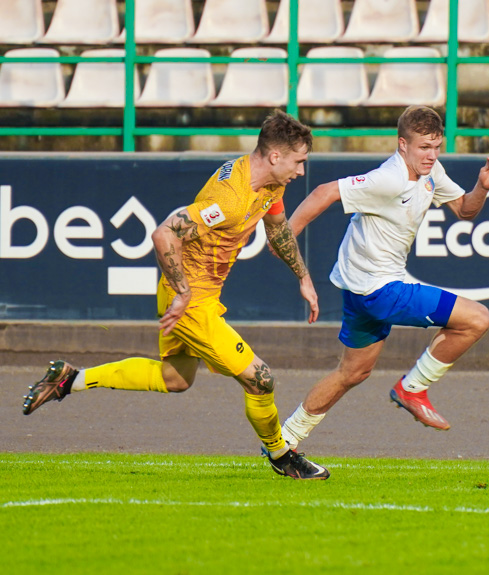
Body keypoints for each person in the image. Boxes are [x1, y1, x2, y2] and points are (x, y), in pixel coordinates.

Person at [21, 110, 330, 481]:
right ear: (276, 156)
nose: (301, 171)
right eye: (299, 162)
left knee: (175, 378)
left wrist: (304, 277)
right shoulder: (229, 199)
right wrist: (183, 293)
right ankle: (282, 455)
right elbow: (164, 234)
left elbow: (277, 227)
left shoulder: (270, 183)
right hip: (188, 299)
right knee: (260, 379)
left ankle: (69, 379)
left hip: (198, 295)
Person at [277, 105, 489, 460]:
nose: (431, 155)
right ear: (403, 145)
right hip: (378, 290)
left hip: (359, 289)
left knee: (352, 373)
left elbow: (464, 210)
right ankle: (412, 388)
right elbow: (324, 191)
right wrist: (286, 235)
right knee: (477, 319)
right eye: (423, 148)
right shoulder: (390, 178)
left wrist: (481, 186)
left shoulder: (431, 172)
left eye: (436, 146)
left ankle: (285, 440)